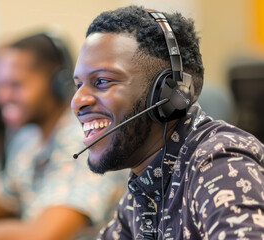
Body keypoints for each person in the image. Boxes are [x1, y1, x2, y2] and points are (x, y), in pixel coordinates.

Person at [70, 5, 264, 240]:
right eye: (78, 85)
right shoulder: (143, 191)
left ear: (167, 95)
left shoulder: (218, 164)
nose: (77, 101)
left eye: (101, 81)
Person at [0, 32, 127, 240]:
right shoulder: (30, 138)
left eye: (15, 85)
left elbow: (40, 236)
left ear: (57, 83)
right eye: (0, 85)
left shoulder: (84, 141)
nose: (2, 96)